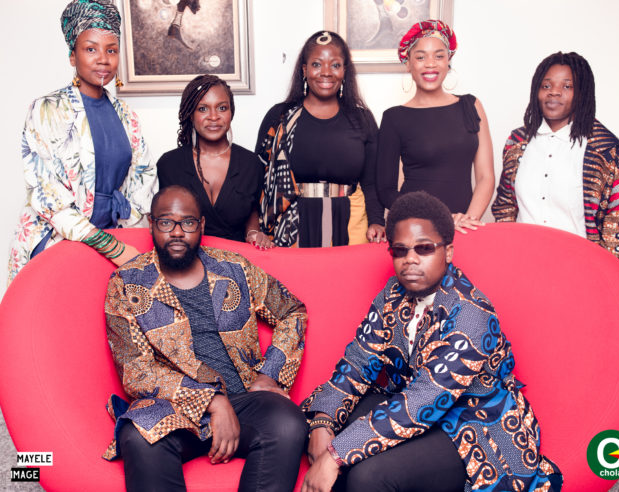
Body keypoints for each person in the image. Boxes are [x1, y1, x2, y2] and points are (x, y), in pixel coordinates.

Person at [301, 191, 562, 492]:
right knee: (317, 424)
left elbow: (424, 399)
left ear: (448, 252)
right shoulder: (392, 294)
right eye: (400, 250)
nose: (410, 259)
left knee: (367, 475)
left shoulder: (471, 314)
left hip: (472, 427)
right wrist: (323, 422)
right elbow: (358, 362)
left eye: (424, 248)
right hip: (410, 408)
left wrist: (336, 455)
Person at [102, 185, 308, 492]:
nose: (176, 232)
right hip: (172, 408)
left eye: (187, 222)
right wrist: (211, 401)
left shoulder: (235, 268)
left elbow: (292, 311)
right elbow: (136, 371)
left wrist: (269, 374)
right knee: (139, 435)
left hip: (244, 401)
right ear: (151, 224)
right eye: (166, 222)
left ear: (201, 225)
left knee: (288, 422)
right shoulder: (127, 283)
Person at [7, 0, 157, 283]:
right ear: (72, 56)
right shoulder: (47, 109)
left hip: (113, 240)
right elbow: (47, 195)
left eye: (111, 50)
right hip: (56, 242)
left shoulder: (127, 116)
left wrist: (128, 239)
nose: (103, 59)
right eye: (91, 49)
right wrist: (112, 247)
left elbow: (143, 180)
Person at [492, 51, 619, 263]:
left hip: (579, 268)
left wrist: (598, 272)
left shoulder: (606, 150)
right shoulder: (517, 142)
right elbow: (505, 206)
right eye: (546, 86)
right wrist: (509, 252)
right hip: (522, 263)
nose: (554, 92)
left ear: (582, 93)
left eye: (567, 86)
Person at [256, 31, 386, 248]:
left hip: (352, 225)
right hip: (289, 228)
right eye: (317, 64)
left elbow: (371, 182)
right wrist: (256, 229)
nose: (326, 72)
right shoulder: (280, 117)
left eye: (335, 65)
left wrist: (376, 221)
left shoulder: (362, 119)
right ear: (304, 70)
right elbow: (259, 176)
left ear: (344, 71)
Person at [375, 20, 494, 234]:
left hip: (465, 227)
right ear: (408, 64)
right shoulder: (393, 118)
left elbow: (486, 177)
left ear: (448, 61)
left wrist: (468, 220)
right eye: (420, 57)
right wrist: (435, 219)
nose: (430, 64)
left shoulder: (471, 106)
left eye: (439, 56)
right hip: (416, 230)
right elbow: (385, 191)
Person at [157, 75, 272, 249]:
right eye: (203, 109)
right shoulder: (169, 164)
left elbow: (252, 212)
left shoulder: (251, 164)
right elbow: (162, 222)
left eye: (222, 108)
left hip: (237, 258)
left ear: (231, 112)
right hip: (186, 259)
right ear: (190, 114)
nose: (213, 117)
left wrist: (254, 233)